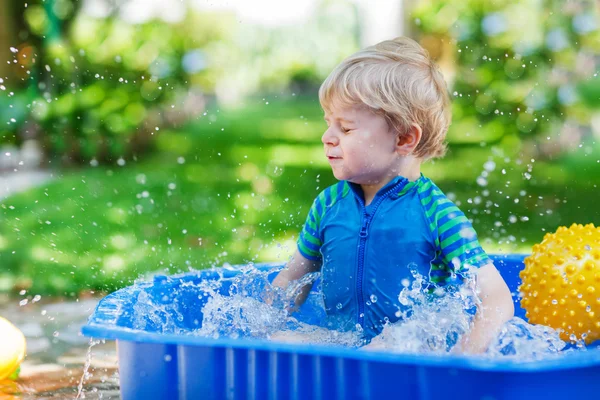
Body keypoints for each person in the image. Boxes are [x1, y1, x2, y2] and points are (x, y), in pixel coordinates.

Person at [271, 37, 514, 353]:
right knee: (281, 340)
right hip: (344, 346)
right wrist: (262, 326)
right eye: (328, 123)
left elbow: (496, 297)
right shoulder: (328, 205)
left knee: (387, 349)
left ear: (404, 138)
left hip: (410, 353)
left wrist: (465, 357)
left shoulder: (436, 214)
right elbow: (290, 282)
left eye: (345, 128)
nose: (327, 137)